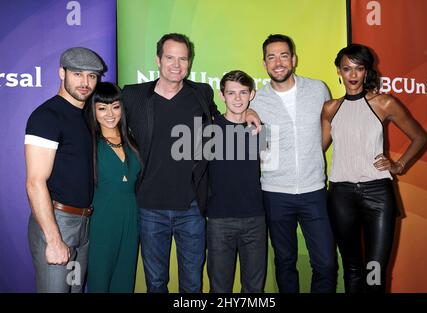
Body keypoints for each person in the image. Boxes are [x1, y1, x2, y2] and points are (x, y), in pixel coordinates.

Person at [122, 33, 260, 293]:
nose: (176, 64)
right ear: (158, 60)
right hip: (150, 208)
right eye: (170, 57)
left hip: (192, 209)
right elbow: (105, 120)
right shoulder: (133, 95)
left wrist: (249, 110)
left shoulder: (201, 93)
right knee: (156, 283)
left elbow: (225, 120)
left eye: (183, 58)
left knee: (193, 284)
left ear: (189, 62)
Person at [321, 44, 427, 293]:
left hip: (378, 194)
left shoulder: (384, 103)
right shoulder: (330, 108)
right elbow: (317, 148)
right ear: (339, 71)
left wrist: (399, 164)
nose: (353, 75)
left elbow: (420, 137)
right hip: (340, 195)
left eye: (359, 68)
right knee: (352, 269)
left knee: (374, 270)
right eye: (347, 69)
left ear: (367, 71)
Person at [250, 34, 337, 293]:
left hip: (314, 191)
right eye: (271, 57)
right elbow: (254, 145)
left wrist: (311, 152)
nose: (278, 62)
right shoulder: (256, 100)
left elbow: (328, 126)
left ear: (294, 59)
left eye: (283, 55)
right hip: (275, 193)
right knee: (285, 262)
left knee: (327, 263)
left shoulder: (318, 89)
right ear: (264, 63)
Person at [25, 47, 105, 292]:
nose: (85, 82)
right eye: (78, 74)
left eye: (92, 76)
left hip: (83, 224)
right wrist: (54, 239)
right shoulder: (47, 116)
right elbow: (35, 182)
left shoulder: (84, 117)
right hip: (57, 222)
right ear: (62, 73)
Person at [206, 70, 267, 293]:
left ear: (252, 94)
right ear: (222, 95)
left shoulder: (261, 130)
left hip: (255, 218)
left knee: (254, 290)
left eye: (243, 92)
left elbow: (269, 170)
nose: (238, 98)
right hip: (219, 220)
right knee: (220, 288)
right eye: (231, 93)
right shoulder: (208, 131)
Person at [86, 82, 142, 292]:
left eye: (115, 106)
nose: (110, 113)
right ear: (93, 111)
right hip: (101, 220)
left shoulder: (132, 140)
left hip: (131, 218)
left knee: (124, 280)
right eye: (102, 108)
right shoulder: (88, 142)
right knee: (99, 280)